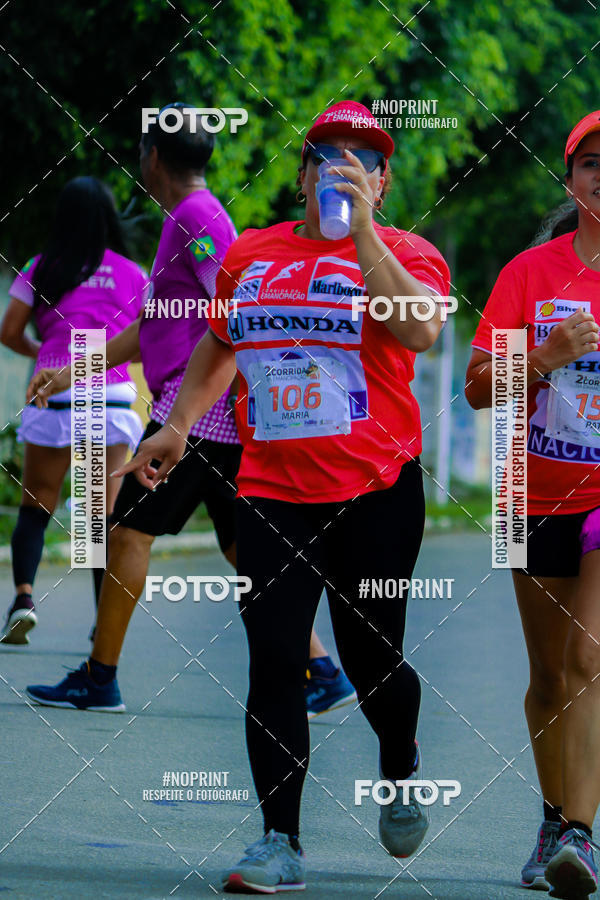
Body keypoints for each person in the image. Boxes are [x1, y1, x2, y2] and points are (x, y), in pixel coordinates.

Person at [114, 100, 451, 893]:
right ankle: (279, 842)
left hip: (376, 492)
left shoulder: (409, 253)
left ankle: (400, 763)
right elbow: (217, 344)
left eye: (360, 159)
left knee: (372, 663)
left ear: (384, 181)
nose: (340, 168)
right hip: (272, 492)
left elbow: (421, 331)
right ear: (300, 176)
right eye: (325, 156)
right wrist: (177, 425)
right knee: (274, 662)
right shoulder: (253, 257)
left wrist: (363, 232)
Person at [24, 104, 354, 719]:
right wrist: (73, 371)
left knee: (126, 531)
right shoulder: (186, 217)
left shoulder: (199, 219)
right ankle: (324, 669)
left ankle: (101, 679)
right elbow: (155, 324)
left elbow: (238, 312)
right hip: (211, 415)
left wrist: (196, 417)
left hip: (200, 416)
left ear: (152, 156)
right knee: (240, 549)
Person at [466, 111, 600, 899]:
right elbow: (480, 389)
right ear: (571, 177)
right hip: (531, 489)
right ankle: (555, 816)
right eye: (591, 162)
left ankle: (581, 838)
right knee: (549, 675)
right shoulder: (528, 274)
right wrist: (544, 357)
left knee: (589, 658)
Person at [0, 176, 146, 645]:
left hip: (53, 393)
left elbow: (8, 332)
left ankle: (23, 599)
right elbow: (146, 343)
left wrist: (45, 354)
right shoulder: (133, 271)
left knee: (37, 503)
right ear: (108, 218)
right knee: (95, 519)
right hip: (110, 397)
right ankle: (103, 626)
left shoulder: (41, 268)